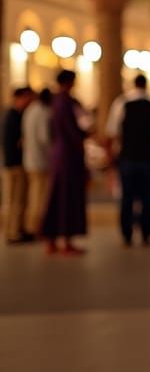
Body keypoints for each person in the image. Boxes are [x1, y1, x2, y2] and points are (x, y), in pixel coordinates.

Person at [106, 73, 150, 246]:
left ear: (133, 84)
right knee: (147, 197)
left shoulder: (121, 103)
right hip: (147, 157)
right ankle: (146, 232)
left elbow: (113, 132)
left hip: (127, 156)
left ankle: (126, 233)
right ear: (146, 85)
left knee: (126, 197)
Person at [40, 69, 88, 256]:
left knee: (59, 196)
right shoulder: (64, 101)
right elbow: (71, 130)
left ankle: (54, 239)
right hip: (67, 155)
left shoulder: (58, 101)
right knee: (65, 198)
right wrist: (81, 141)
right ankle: (62, 239)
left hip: (61, 154)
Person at [3, 86, 34, 244]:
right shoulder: (13, 116)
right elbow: (17, 143)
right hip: (15, 164)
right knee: (15, 200)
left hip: (15, 163)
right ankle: (13, 232)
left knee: (20, 200)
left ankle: (18, 229)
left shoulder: (15, 115)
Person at [22, 86, 53, 239]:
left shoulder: (30, 111)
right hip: (40, 161)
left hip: (30, 160)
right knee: (39, 198)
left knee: (34, 196)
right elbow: (45, 138)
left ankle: (33, 227)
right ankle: (37, 229)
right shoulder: (42, 112)